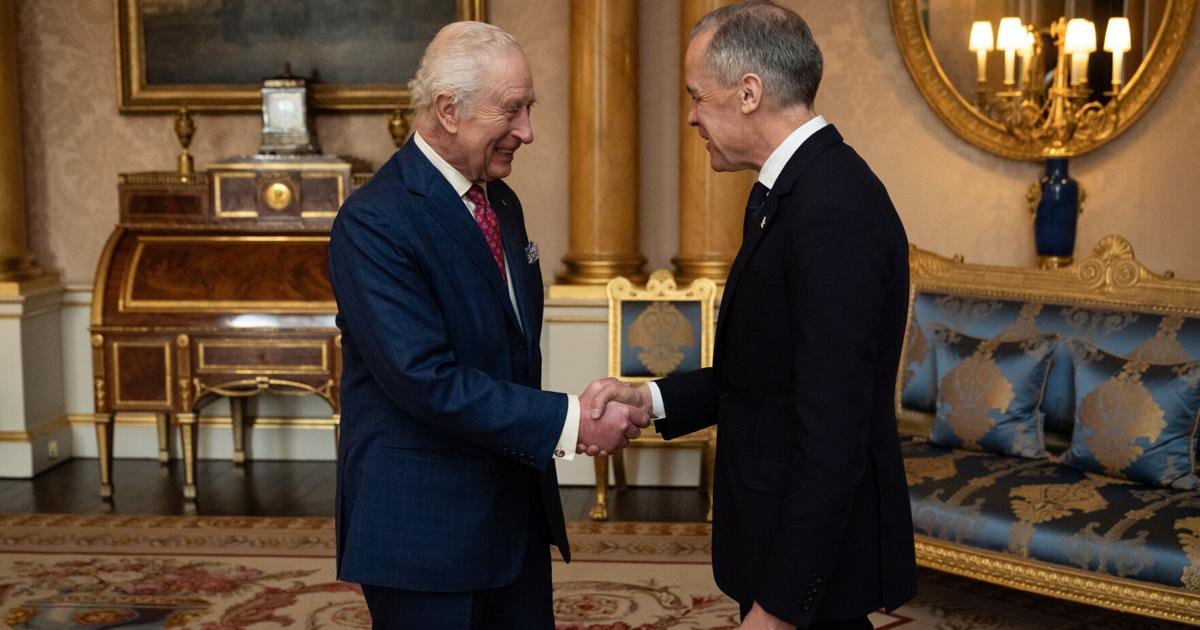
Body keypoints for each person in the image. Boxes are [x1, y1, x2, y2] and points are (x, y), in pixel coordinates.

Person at [581, 2, 917, 628]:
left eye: (696, 97)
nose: (689, 116)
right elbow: (761, 378)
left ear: (748, 92)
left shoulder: (833, 209)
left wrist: (779, 609)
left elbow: (832, 436)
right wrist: (648, 399)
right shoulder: (792, 192)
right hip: (776, 536)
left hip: (810, 564)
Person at [328, 21, 648, 629]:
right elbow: (426, 379)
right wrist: (574, 420)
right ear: (448, 110)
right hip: (425, 530)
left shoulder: (501, 201)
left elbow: (511, 349)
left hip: (514, 516)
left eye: (529, 108)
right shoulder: (375, 222)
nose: (527, 132)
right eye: (513, 111)